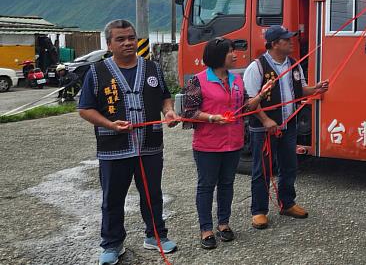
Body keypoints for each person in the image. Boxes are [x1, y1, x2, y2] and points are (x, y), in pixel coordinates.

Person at [77, 19, 178, 265]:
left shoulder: (152, 68)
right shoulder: (97, 72)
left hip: (150, 146)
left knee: (152, 194)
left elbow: (165, 96)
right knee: (113, 198)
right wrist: (110, 124)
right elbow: (85, 109)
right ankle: (112, 244)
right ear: (109, 44)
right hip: (114, 148)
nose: (128, 43)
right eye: (120, 39)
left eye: (131, 37)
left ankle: (155, 235)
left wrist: (169, 112)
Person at [181, 38, 273, 249]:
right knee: (206, 186)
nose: (234, 55)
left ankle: (224, 224)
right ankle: (206, 229)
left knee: (227, 184)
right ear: (218, 56)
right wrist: (213, 118)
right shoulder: (198, 80)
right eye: (230, 52)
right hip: (207, 145)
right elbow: (188, 113)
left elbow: (246, 108)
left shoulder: (237, 80)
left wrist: (261, 94)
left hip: (233, 144)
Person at [243, 25, 329, 229]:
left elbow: (299, 91)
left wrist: (315, 89)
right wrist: (265, 120)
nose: (291, 42)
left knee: (289, 166)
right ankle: (259, 211)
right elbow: (249, 102)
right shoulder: (257, 67)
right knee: (262, 169)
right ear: (274, 44)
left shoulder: (293, 65)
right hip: (264, 128)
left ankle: (287, 203)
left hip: (288, 125)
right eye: (286, 39)